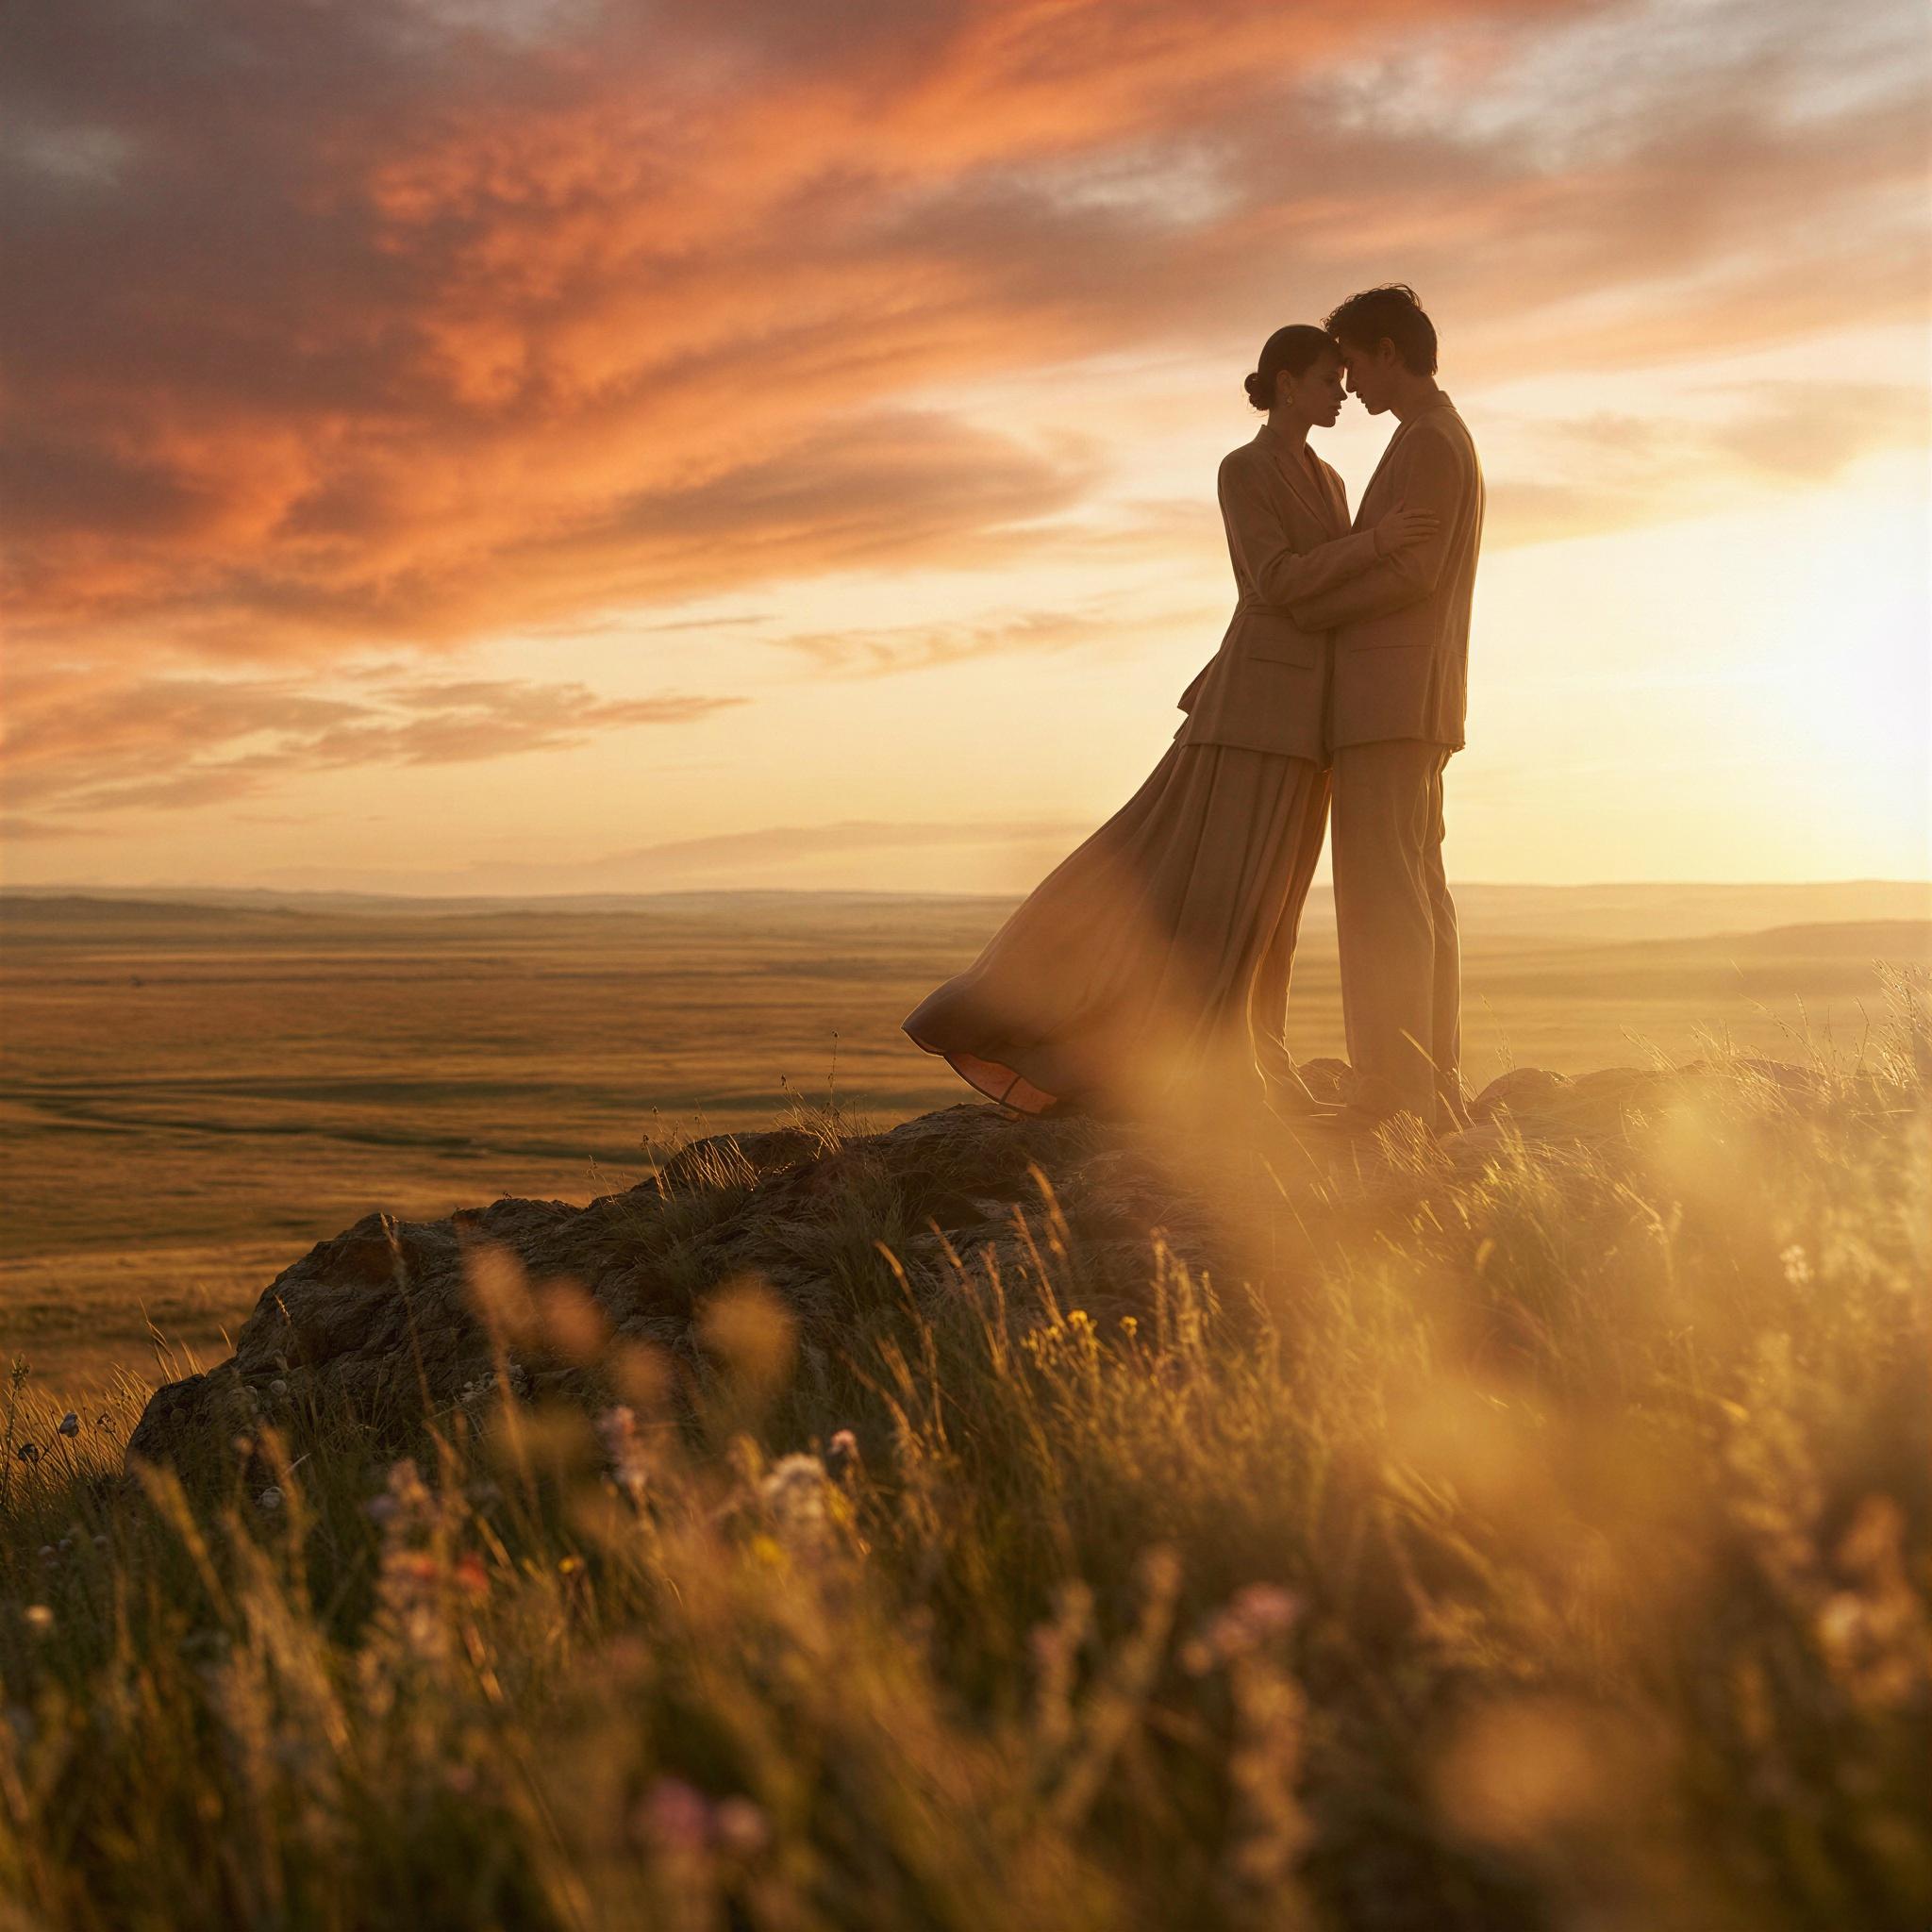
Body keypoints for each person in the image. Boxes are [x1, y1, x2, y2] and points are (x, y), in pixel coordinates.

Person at [901, 324, 1437, 1123]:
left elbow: (1314, 588)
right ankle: (1121, 1036)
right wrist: (1381, 544)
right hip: (1253, 702)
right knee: (1220, 888)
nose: (1340, 394)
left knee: (1277, 902)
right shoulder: (1243, 469)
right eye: (1328, 380)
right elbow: (1276, 581)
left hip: (1309, 720)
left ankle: (1263, 1054)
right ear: (1287, 384)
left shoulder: (1327, 477)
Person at [1283, 285, 1485, 1133]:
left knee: (1382, 898)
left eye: (1356, 363)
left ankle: (1394, 1089)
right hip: (1413, 702)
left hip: (1392, 701)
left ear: (1389, 353)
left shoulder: (1431, 441)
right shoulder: (1432, 436)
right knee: (1416, 890)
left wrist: (1307, 607)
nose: (1352, 384)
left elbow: (1413, 572)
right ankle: (1429, 1082)